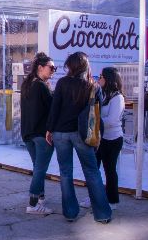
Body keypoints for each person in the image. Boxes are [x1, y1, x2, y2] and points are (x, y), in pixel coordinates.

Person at [45, 52, 112, 223]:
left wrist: (49, 129)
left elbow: (55, 108)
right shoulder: (93, 86)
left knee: (65, 172)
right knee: (92, 172)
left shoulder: (62, 83)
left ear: (72, 67)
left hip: (60, 133)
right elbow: (98, 113)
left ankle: (70, 213)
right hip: (83, 134)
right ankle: (102, 214)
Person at [20, 52, 56, 215]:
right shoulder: (41, 86)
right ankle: (33, 203)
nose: (53, 71)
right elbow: (52, 109)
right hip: (42, 134)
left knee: (37, 167)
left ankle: (40, 198)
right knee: (40, 169)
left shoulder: (27, 84)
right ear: (40, 67)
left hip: (28, 133)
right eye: (51, 68)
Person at [91, 67, 125, 210]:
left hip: (112, 139)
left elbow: (111, 120)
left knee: (109, 169)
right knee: (94, 169)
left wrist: (95, 120)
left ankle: (112, 200)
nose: (99, 79)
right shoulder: (102, 94)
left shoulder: (118, 97)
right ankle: (95, 197)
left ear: (109, 79)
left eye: (101, 76)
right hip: (100, 138)